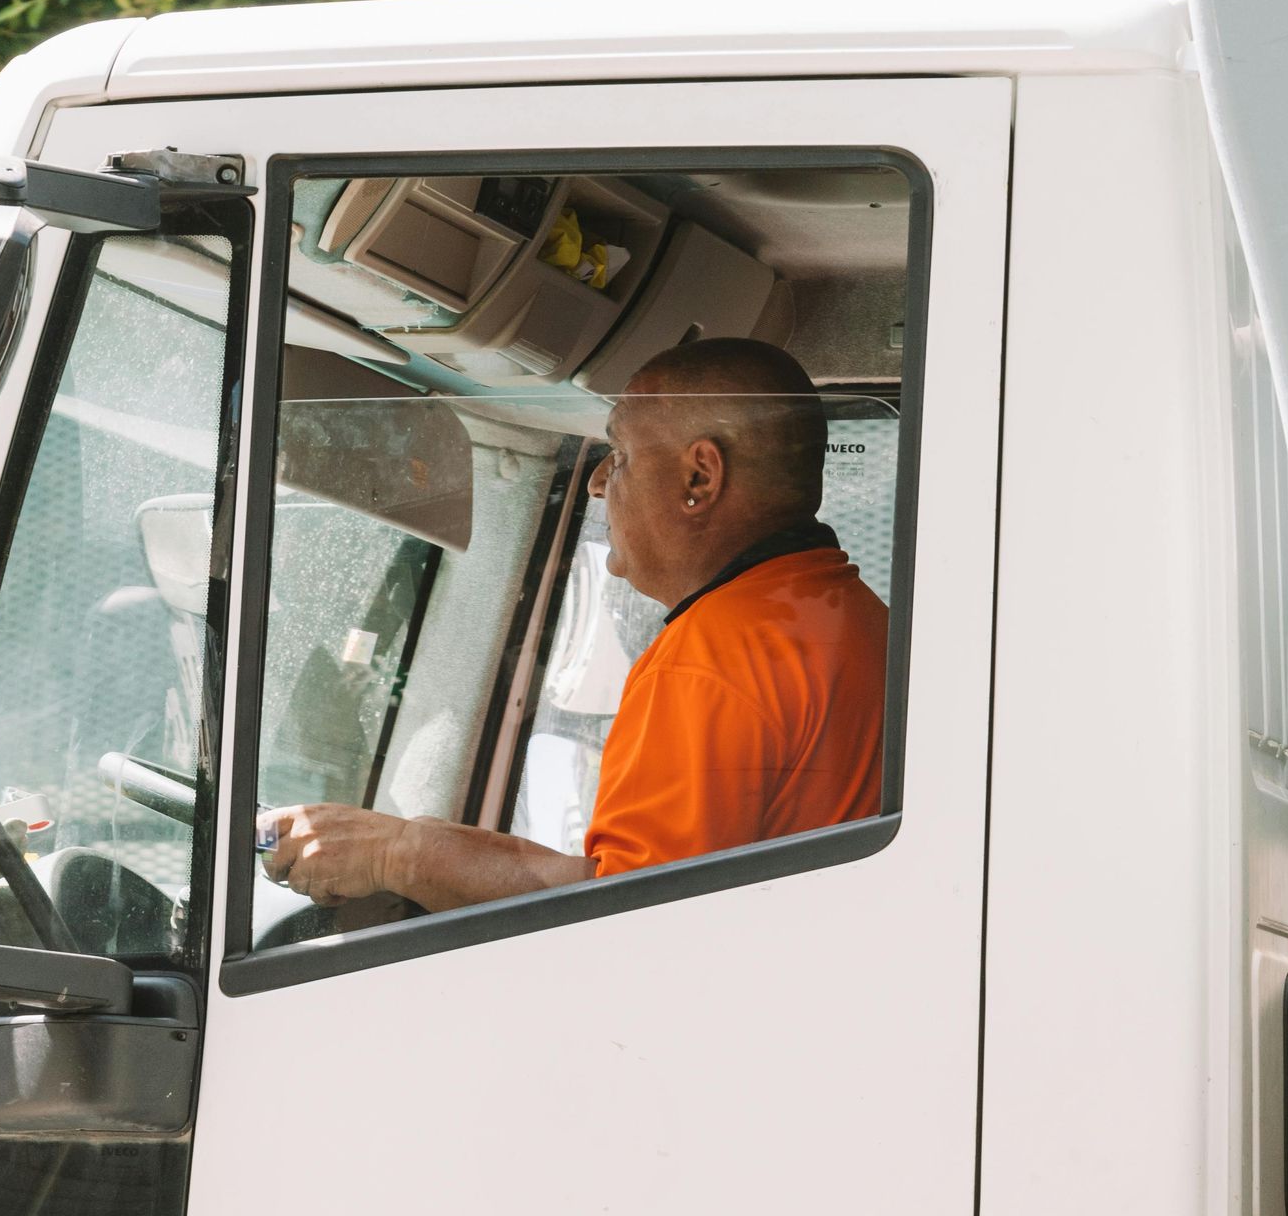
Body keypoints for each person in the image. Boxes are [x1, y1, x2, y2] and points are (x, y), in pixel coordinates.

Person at [259, 337, 888, 916]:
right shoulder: (862, 623)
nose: (594, 483)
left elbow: (623, 916)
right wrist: (402, 842)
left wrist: (395, 856)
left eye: (619, 455)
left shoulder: (713, 659)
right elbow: (621, 876)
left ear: (699, 477)